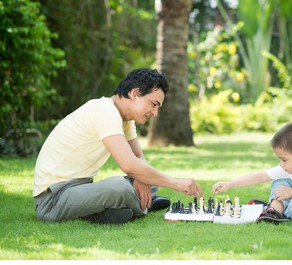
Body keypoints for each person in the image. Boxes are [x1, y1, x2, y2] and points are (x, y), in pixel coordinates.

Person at [33, 68, 203, 224]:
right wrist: (176, 183)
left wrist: (141, 177)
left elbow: (138, 158)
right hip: (53, 199)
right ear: (135, 93)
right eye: (153, 104)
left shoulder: (125, 120)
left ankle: (119, 209)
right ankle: (141, 207)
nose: (155, 113)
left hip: (81, 189)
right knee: (119, 187)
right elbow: (129, 165)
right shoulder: (103, 109)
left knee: (151, 180)